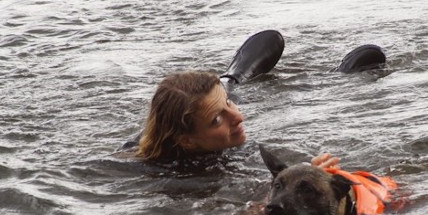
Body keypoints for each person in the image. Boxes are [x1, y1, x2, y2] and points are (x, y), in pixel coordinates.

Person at [119, 30, 387, 167]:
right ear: (187, 141)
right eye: (216, 120)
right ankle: (335, 78)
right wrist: (307, 176)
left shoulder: (207, 129)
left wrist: (218, 111)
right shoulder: (200, 171)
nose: (238, 117)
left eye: (228, 107)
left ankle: (231, 79)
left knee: (222, 97)